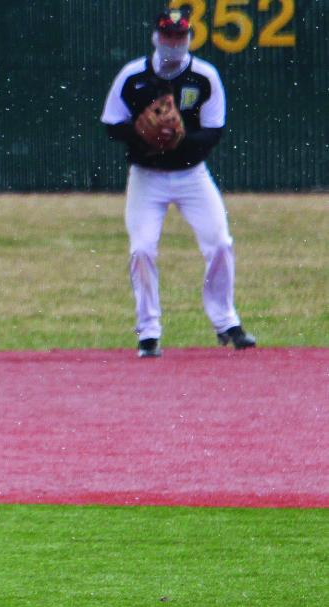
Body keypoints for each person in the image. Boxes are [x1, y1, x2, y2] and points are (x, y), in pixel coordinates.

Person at [100, 8, 256, 358]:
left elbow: (214, 130)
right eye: (168, 36)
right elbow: (112, 124)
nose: (173, 43)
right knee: (142, 249)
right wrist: (141, 134)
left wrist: (178, 139)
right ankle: (149, 333)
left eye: (180, 37)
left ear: (188, 39)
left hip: (191, 176)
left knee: (219, 243)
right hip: (147, 178)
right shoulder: (133, 76)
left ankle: (226, 322)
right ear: (156, 37)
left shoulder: (204, 76)